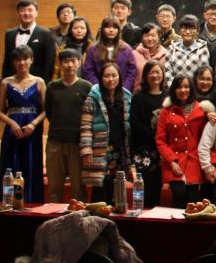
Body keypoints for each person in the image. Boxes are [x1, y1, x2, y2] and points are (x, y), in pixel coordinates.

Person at [0, 45, 47, 204]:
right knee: (11, 164)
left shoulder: (39, 82)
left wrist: (34, 124)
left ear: (32, 60)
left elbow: (46, 110)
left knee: (31, 164)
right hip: (12, 130)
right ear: (13, 62)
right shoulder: (6, 82)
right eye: (18, 59)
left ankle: (32, 202)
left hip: (32, 130)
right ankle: (9, 202)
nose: (22, 62)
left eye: (25, 59)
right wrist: (11, 123)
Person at [157, 74, 214, 208]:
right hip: (174, 162)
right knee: (179, 198)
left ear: (191, 89)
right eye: (179, 87)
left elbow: (206, 139)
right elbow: (160, 140)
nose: (183, 90)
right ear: (174, 90)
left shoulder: (201, 110)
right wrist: (171, 161)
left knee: (193, 204)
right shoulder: (166, 111)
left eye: (186, 87)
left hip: (194, 162)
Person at [44, 48, 92, 203]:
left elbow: (90, 114)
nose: (70, 65)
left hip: (77, 143)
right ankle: (53, 216)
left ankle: (79, 217)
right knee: (54, 188)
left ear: (79, 63)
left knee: (79, 189)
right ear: (60, 64)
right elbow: (49, 112)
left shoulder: (87, 87)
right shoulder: (52, 87)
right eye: (66, 61)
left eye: (73, 61)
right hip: (55, 142)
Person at [80, 62, 133, 202]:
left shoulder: (127, 96)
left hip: (119, 149)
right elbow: (85, 125)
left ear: (119, 77)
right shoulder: (93, 97)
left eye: (114, 75)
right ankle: (95, 214)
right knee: (99, 188)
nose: (111, 79)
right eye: (107, 76)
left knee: (116, 188)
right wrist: (86, 149)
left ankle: (113, 215)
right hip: (100, 148)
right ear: (101, 78)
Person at [130, 60, 167, 208]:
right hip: (144, 149)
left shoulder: (168, 97)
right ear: (145, 76)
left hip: (162, 150)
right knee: (144, 186)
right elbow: (135, 123)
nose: (155, 75)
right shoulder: (138, 97)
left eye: (158, 72)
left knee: (157, 186)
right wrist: (155, 136)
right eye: (151, 72)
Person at [2, 0, 56, 81]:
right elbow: (7, 61)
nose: (26, 13)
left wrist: (45, 84)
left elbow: (49, 63)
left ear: (36, 13)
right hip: (13, 82)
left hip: (36, 82)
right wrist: (4, 81)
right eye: (22, 10)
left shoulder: (46, 34)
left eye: (30, 10)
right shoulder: (9, 34)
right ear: (18, 13)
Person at [83, 16, 138, 92]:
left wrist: (124, 88)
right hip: (98, 91)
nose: (111, 30)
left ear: (119, 30)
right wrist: (98, 88)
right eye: (108, 27)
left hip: (121, 91)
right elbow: (88, 70)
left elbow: (132, 71)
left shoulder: (126, 49)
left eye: (115, 27)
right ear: (102, 29)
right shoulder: (92, 49)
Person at [165, 14, 211, 81]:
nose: (188, 32)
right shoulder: (172, 48)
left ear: (197, 31)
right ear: (179, 30)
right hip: (175, 87)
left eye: (191, 28)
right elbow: (167, 71)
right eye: (184, 28)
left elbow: (203, 74)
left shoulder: (203, 49)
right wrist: (173, 86)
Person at [133, 23, 168, 92]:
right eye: (146, 36)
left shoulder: (166, 55)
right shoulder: (134, 54)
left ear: (159, 36)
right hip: (137, 94)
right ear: (142, 37)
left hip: (160, 94)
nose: (150, 39)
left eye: (153, 35)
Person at [55, 16, 92, 81]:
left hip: (88, 83)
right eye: (75, 28)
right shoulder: (62, 48)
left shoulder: (92, 47)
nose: (79, 31)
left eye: (82, 28)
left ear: (87, 30)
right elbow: (56, 69)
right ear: (70, 30)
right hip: (66, 82)